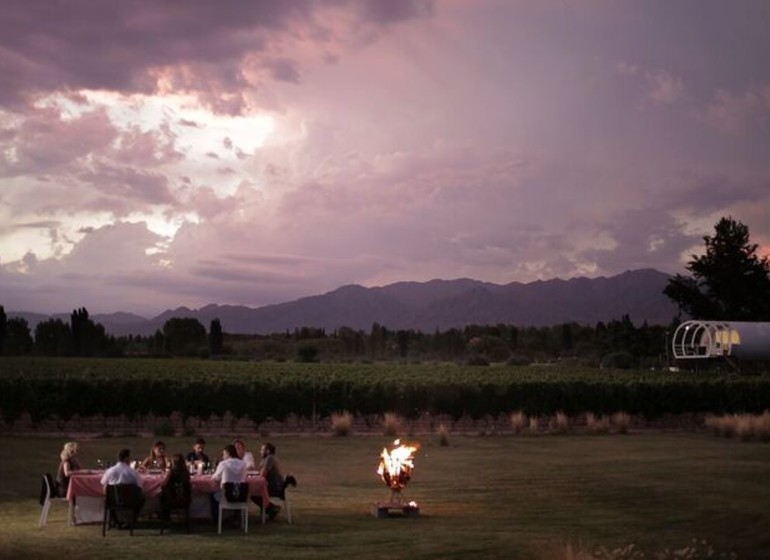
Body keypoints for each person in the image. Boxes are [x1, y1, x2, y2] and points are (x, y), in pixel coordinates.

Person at [100, 448, 145, 528]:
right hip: (130, 501)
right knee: (142, 499)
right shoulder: (132, 472)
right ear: (126, 458)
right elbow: (140, 487)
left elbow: (104, 488)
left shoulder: (110, 471)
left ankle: (115, 521)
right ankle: (132, 520)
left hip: (113, 501)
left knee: (107, 500)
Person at [210, 444, 247, 522]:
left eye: (223, 454)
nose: (223, 456)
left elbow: (214, 478)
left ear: (227, 453)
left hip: (226, 496)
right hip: (240, 496)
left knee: (212, 494)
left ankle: (217, 519)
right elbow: (244, 478)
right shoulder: (243, 464)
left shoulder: (223, 464)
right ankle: (236, 516)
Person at [160, 453, 191, 521]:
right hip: (184, 499)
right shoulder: (186, 473)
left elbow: (163, 484)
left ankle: (165, 517)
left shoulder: (171, 472)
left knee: (162, 494)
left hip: (172, 499)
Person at [257, 442, 283, 520]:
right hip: (271, 486)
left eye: (262, 450)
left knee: (253, 492)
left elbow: (262, 474)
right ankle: (271, 509)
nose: (260, 451)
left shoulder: (270, 458)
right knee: (254, 491)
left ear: (267, 451)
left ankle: (271, 508)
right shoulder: (267, 459)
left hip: (275, 488)